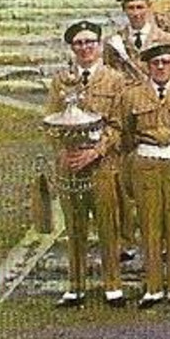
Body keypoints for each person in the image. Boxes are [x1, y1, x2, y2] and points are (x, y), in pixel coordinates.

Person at [47, 21, 133, 307]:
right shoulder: (62, 79)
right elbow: (50, 121)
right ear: (72, 48)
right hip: (70, 162)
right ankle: (76, 285)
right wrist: (64, 151)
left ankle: (113, 284)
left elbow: (120, 125)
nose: (85, 48)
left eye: (90, 42)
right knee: (75, 225)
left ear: (99, 45)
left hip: (102, 163)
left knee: (107, 223)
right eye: (79, 43)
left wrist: (96, 152)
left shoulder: (114, 79)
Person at [118, 43, 170, 308]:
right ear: (148, 66)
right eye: (155, 63)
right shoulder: (132, 95)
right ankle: (152, 287)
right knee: (149, 224)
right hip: (146, 161)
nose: (161, 67)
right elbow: (126, 133)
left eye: (166, 62)